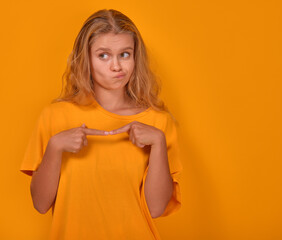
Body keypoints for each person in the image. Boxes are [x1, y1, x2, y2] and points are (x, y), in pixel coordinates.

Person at [20, 9, 182, 240]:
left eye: (125, 54)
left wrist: (158, 142)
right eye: (103, 55)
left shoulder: (158, 122)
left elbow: (155, 208)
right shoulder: (54, 116)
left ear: (136, 57)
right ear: (85, 58)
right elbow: (40, 203)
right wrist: (55, 147)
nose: (116, 66)